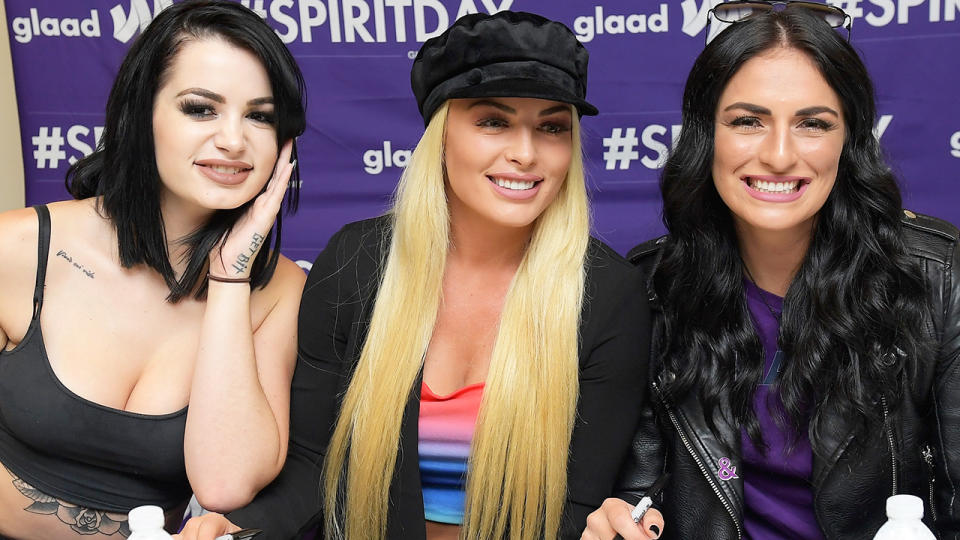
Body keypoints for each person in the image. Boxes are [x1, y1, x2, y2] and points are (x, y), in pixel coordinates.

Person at [176, 10, 662, 540]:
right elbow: (316, 464)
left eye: (551, 127)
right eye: (493, 121)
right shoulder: (356, 261)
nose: (525, 153)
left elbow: (576, 503)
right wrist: (235, 530)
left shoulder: (609, 293)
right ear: (441, 135)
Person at [583, 2, 960, 539]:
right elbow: (638, 495)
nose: (779, 155)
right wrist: (623, 520)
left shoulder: (939, 278)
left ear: (848, 142)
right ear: (705, 135)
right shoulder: (650, 288)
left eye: (812, 123)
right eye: (747, 121)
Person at [0, 1, 306, 537]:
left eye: (260, 116)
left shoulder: (280, 290)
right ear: (141, 113)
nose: (235, 140)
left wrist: (231, 276)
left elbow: (224, 485)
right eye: (200, 109)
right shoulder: (19, 247)